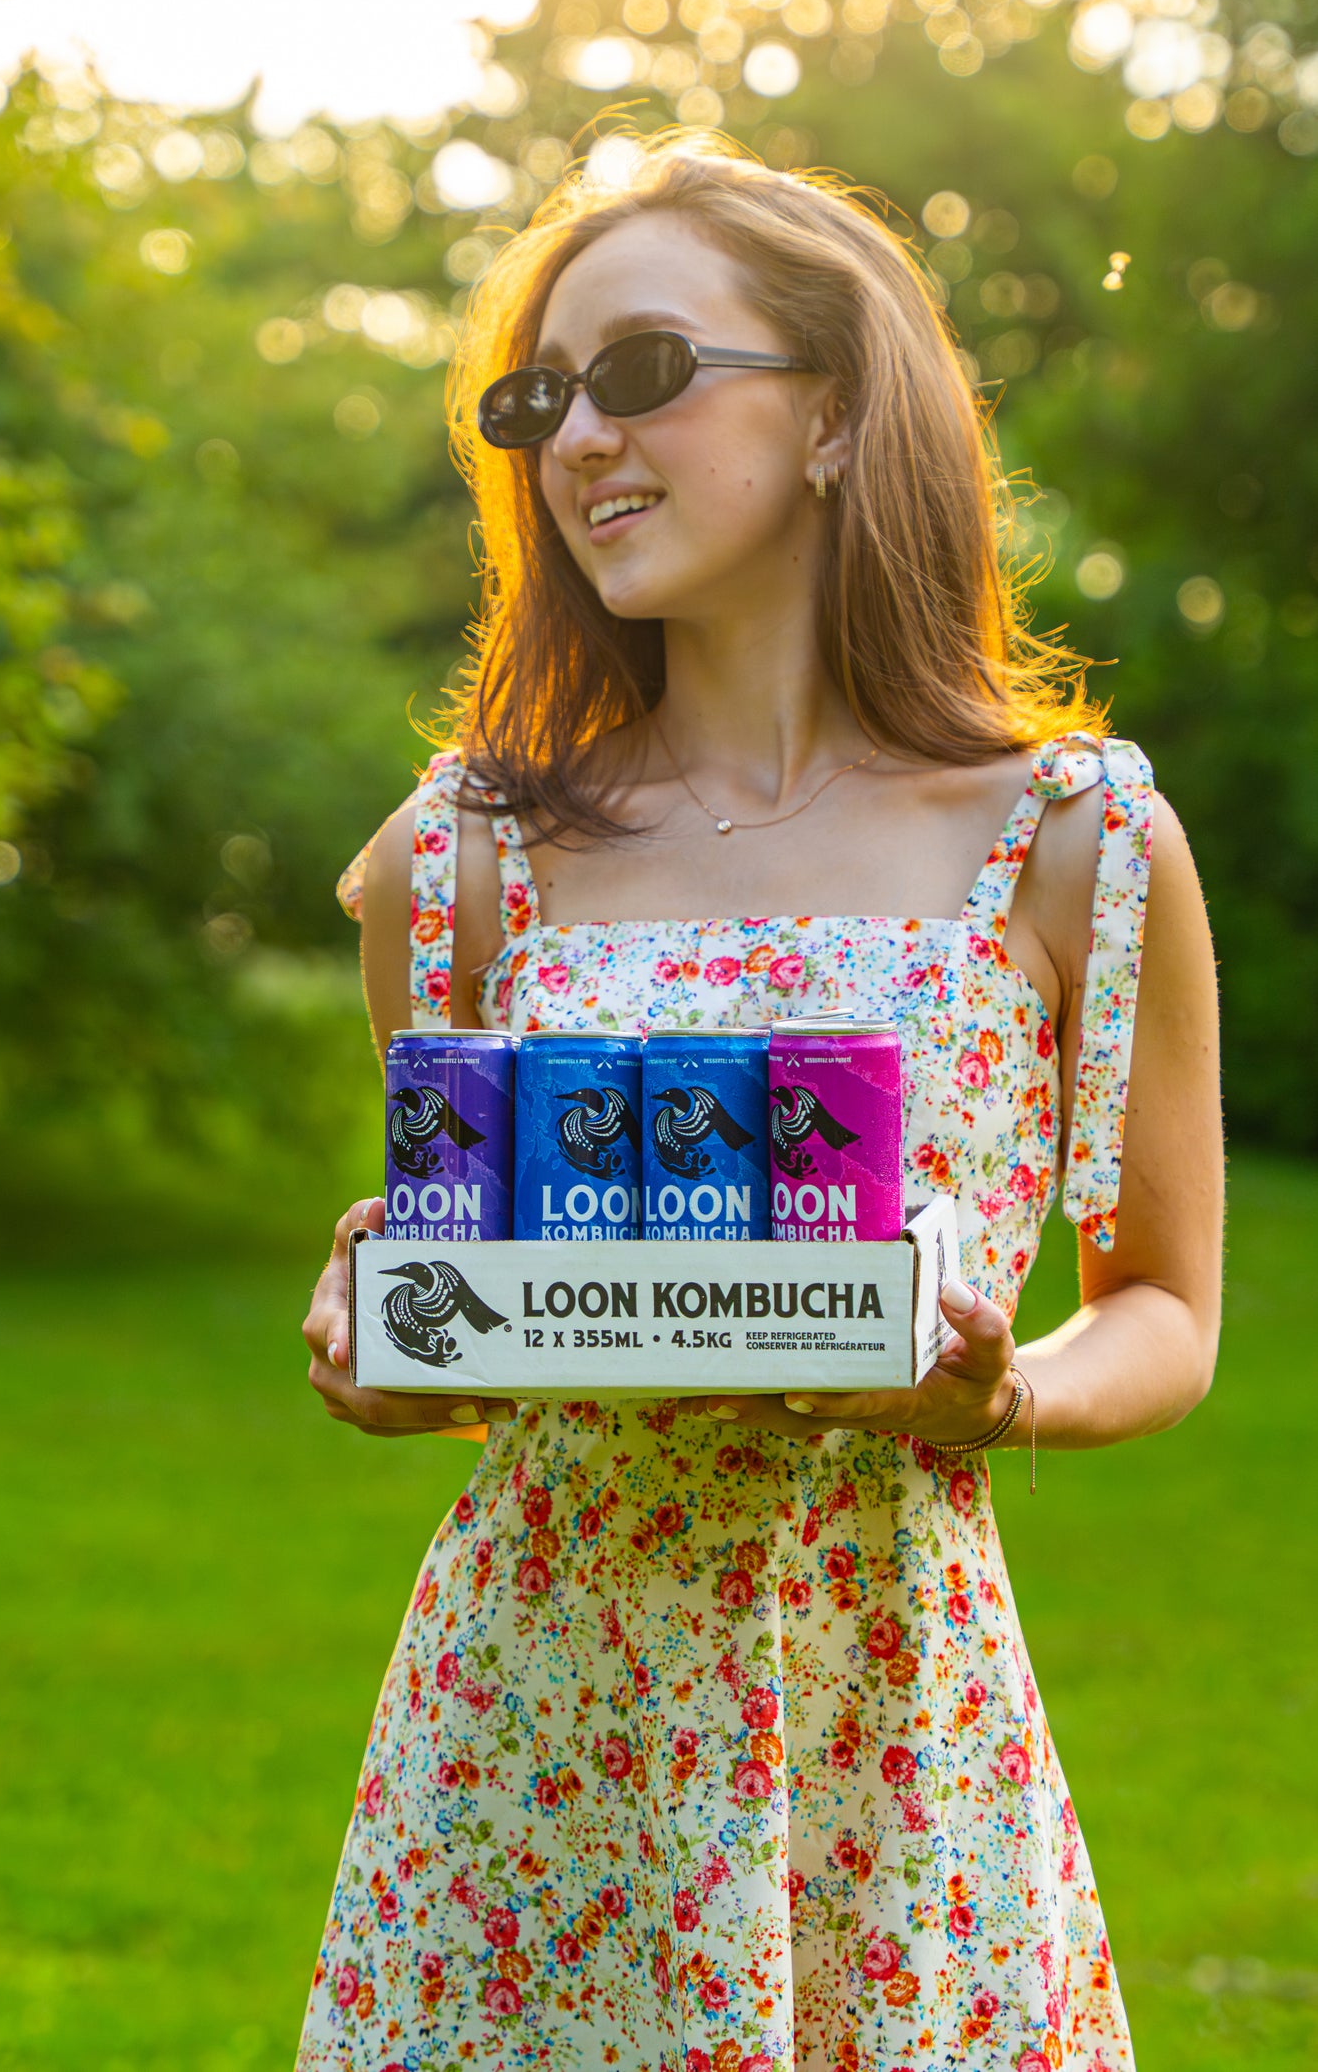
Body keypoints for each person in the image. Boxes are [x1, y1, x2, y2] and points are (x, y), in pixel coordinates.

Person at [295, 134, 1222, 2072]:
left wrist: (1005, 1388)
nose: (573, 441)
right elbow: (455, 1287)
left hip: (896, 1707)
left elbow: (1164, 1307)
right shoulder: (461, 861)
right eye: (541, 397)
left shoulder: (1078, 840)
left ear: (833, 417)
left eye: (643, 371)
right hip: (533, 1732)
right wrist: (392, 1330)